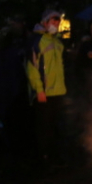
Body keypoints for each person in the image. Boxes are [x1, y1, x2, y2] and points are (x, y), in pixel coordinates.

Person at [26, 9, 67, 165]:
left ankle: (53, 154)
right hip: (44, 92)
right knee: (43, 126)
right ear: (44, 22)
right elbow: (31, 67)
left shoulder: (57, 42)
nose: (55, 24)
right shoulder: (36, 41)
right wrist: (39, 89)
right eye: (52, 21)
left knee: (54, 125)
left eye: (57, 21)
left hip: (58, 91)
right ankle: (43, 156)